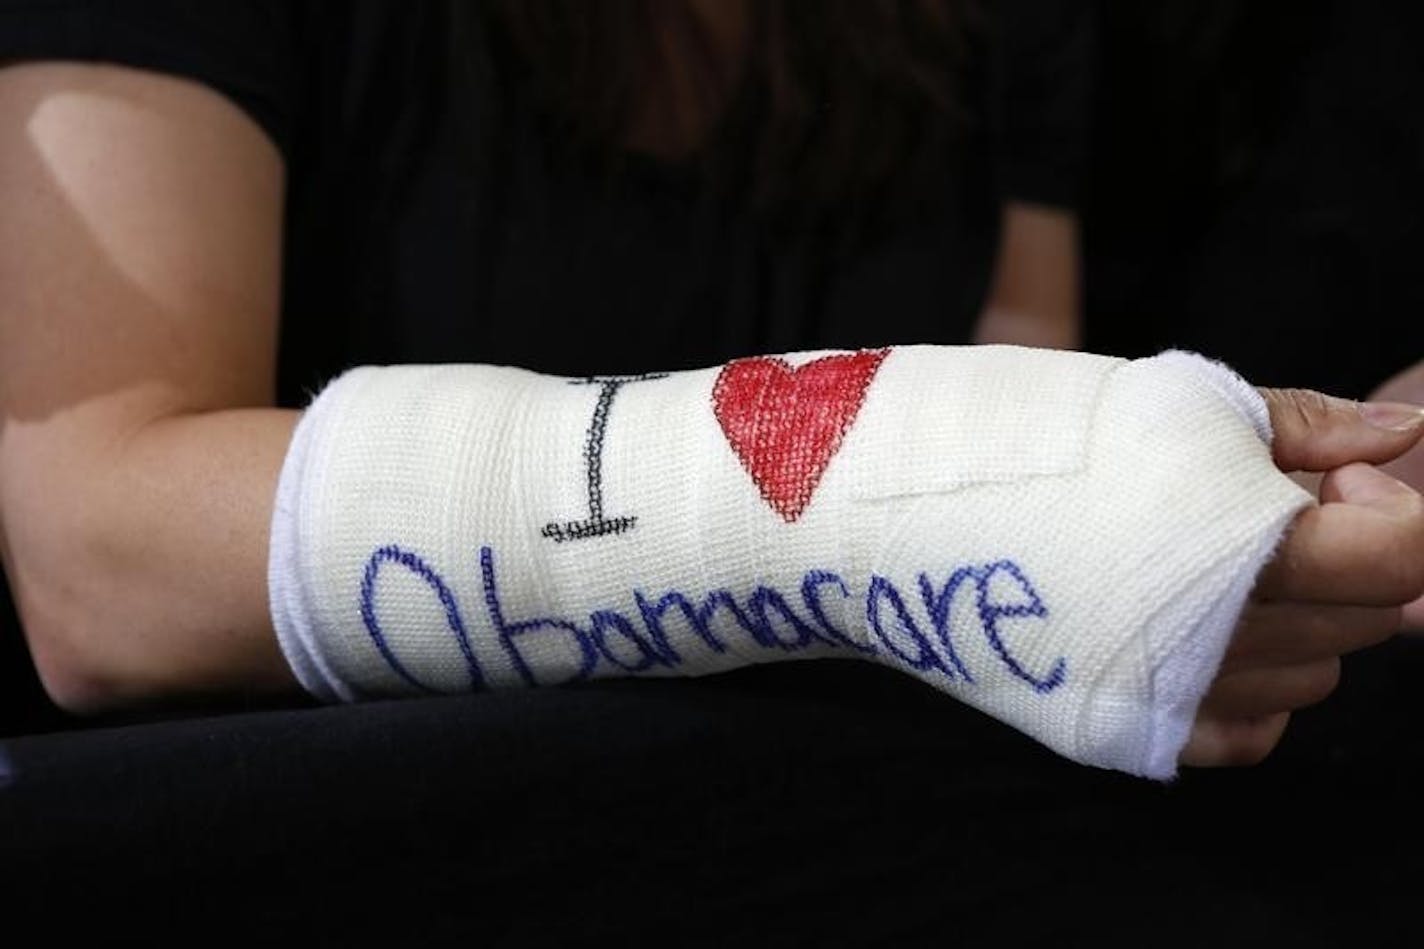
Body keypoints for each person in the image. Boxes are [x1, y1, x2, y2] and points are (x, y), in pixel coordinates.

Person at [1, 2, 1423, 939]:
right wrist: (961, 490)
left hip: (848, 847)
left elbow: (1020, 432)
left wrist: (1210, 522)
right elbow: (95, 556)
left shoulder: (994, 26)